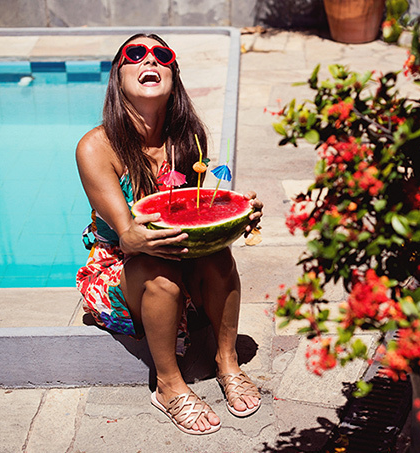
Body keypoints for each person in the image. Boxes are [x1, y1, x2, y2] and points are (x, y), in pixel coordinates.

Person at [75, 33, 262, 435]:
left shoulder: (188, 139)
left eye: (162, 55)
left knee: (219, 256)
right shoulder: (96, 147)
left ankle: (226, 361)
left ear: (173, 76)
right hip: (122, 265)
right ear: (118, 74)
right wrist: (139, 239)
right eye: (136, 54)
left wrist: (234, 214)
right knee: (158, 270)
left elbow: (200, 208)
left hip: (181, 253)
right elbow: (128, 236)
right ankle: (168, 385)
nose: (150, 61)